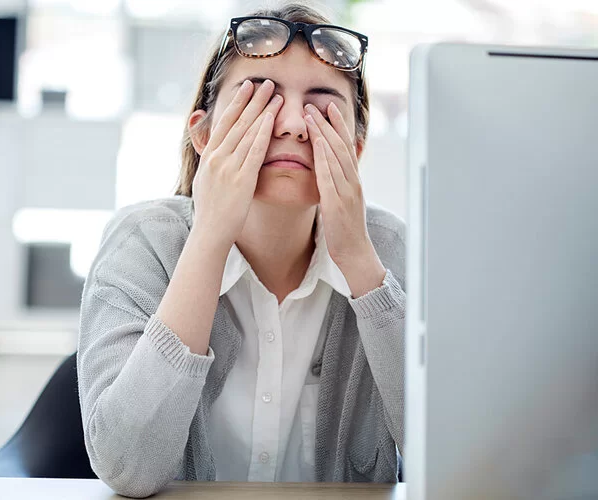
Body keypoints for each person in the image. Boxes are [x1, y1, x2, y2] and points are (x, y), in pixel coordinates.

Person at [77, 3, 405, 497]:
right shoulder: (142, 240)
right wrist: (209, 236)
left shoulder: (391, 250)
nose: (293, 124)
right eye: (262, 99)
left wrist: (359, 261)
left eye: (322, 107)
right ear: (205, 134)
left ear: (355, 149)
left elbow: (453, 456)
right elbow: (127, 467)